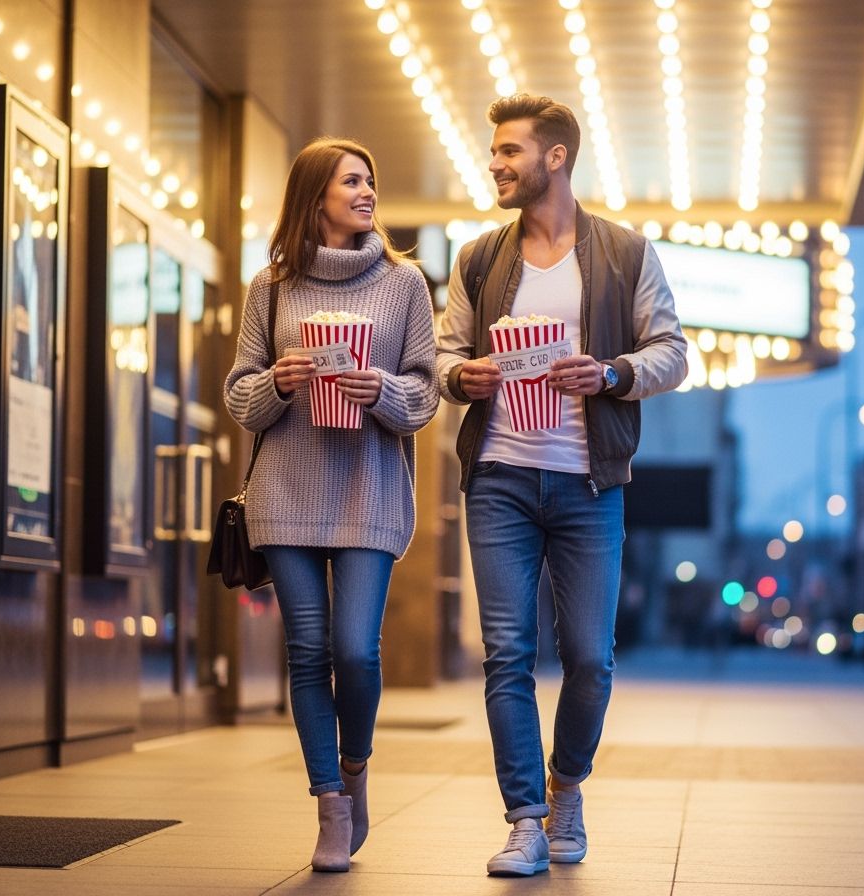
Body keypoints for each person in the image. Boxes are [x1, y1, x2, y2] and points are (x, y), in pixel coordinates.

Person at [434, 94, 687, 876]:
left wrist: (611, 373)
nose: (495, 163)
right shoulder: (479, 258)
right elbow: (442, 356)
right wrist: (459, 377)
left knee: (589, 658)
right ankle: (524, 819)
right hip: (502, 478)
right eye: (494, 151)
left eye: (509, 150)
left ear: (556, 157)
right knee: (507, 653)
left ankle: (566, 784)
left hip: (588, 483)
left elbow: (672, 353)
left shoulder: (624, 253)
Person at [223, 137, 439, 872]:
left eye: (370, 179)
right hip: (285, 491)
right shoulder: (271, 287)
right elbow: (239, 396)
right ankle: (330, 809)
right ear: (316, 196)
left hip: (368, 490)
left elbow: (424, 396)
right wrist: (278, 383)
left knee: (355, 648)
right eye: (352, 180)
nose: (367, 190)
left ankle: (355, 769)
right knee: (309, 651)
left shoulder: (405, 285)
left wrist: (380, 389)